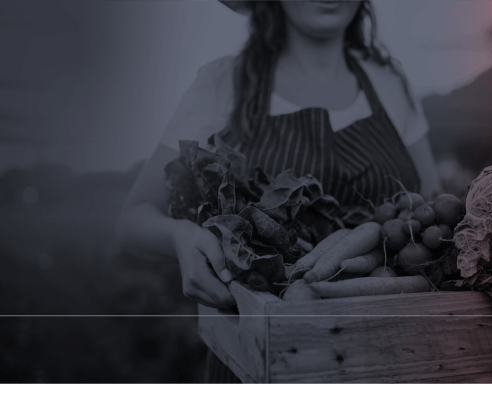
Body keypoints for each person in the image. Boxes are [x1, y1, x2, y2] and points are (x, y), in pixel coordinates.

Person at [116, 0, 440, 382]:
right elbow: (133, 220)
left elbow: (431, 199)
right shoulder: (222, 84)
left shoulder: (388, 79)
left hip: (396, 360)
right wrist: (181, 236)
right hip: (258, 366)